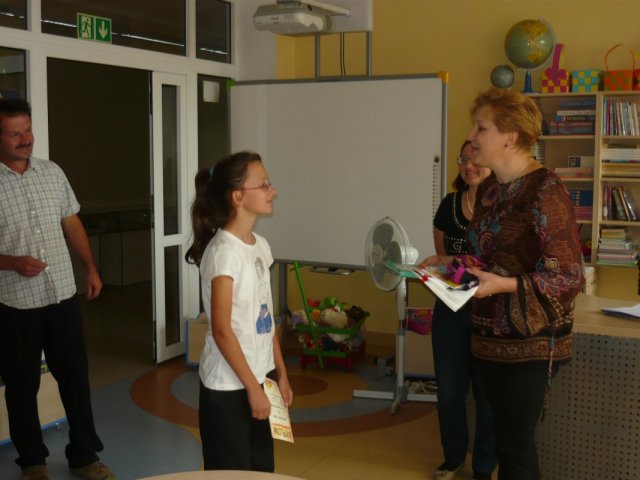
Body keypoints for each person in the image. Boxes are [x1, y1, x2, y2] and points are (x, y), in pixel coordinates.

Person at [425, 87, 584, 480]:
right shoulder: (490, 191)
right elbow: (487, 258)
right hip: (487, 338)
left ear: (510, 137)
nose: (471, 137)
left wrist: (504, 286)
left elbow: (568, 275)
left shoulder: (546, 190)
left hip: (529, 341)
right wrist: (447, 264)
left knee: (515, 446)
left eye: (481, 128)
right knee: (504, 443)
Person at [0, 98, 115, 480]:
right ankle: (33, 461)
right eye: (15, 134)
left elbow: (71, 223)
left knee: (75, 379)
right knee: (21, 387)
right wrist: (12, 262)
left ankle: (84, 456)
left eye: (27, 131)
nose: (25, 139)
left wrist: (90, 267)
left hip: (62, 295)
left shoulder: (52, 172)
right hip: (15, 303)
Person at [185, 151, 293, 472]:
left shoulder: (261, 246)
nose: (272, 191)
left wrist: (280, 374)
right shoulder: (223, 252)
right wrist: (251, 388)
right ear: (237, 196)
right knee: (230, 473)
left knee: (261, 471)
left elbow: (265, 320)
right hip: (229, 388)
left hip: (259, 379)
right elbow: (221, 330)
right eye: (264, 185)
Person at [430, 141, 495, 480]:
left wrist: (449, 261)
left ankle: (483, 467)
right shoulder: (449, 205)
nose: (469, 165)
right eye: (463, 159)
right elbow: (444, 263)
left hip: (491, 312)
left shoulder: (503, 208)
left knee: (487, 397)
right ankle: (453, 458)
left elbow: (499, 262)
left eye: (476, 158)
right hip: (450, 310)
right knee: (449, 393)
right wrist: (438, 267)